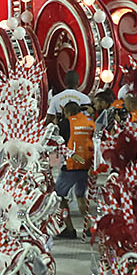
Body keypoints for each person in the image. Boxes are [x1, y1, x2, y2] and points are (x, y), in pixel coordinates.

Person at [55, 95, 96, 239]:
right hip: (88, 166)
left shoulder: (66, 123)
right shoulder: (90, 122)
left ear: (67, 113)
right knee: (81, 196)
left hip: (71, 166)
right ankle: (89, 227)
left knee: (58, 197)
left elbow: (57, 141)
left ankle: (70, 229)